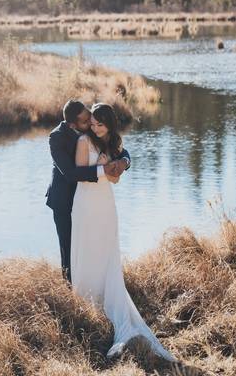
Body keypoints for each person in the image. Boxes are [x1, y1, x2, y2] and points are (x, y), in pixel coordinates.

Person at [70, 102, 175, 361]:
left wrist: (114, 167)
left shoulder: (113, 144)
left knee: (106, 253)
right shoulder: (84, 140)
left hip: (105, 204)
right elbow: (78, 175)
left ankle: (108, 307)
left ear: (109, 125)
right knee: (87, 251)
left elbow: (116, 179)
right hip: (85, 203)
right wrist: (102, 168)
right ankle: (86, 307)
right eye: (93, 123)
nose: (94, 127)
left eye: (99, 124)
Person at [45, 99, 129, 284]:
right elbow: (70, 173)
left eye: (90, 117)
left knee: (92, 241)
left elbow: (119, 150)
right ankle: (71, 290)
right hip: (65, 199)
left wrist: (125, 162)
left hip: (90, 198)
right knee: (69, 246)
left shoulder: (92, 130)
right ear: (72, 124)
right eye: (86, 121)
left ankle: (96, 281)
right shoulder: (56, 138)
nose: (90, 122)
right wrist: (102, 170)